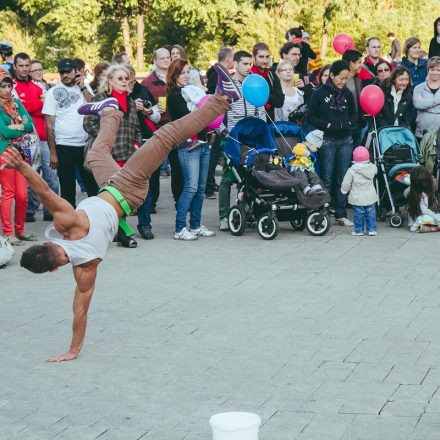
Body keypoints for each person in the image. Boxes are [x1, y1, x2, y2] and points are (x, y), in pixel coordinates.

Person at [1, 90, 231, 362]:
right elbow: (46, 194)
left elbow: (80, 313)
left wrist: (72, 351)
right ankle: (222, 100)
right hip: (128, 185)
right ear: (48, 243)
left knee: (95, 155)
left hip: (115, 189)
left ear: (53, 269)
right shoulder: (68, 225)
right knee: (165, 136)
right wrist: (22, 167)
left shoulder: (84, 270)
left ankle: (110, 112)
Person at [83, 64, 142, 248]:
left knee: (121, 197)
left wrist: (137, 144)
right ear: (109, 81)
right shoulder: (101, 98)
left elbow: (136, 128)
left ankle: (117, 232)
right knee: (110, 197)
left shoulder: (130, 102)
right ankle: (120, 234)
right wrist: (106, 138)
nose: (125, 81)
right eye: (120, 78)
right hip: (107, 155)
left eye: (127, 78)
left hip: (127, 154)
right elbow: (88, 124)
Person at [216, 51, 266, 230]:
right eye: (244, 64)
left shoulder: (255, 83)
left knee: (248, 176)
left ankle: (245, 211)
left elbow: (260, 109)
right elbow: (216, 111)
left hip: (251, 136)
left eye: (249, 64)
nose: (248, 67)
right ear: (235, 64)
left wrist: (261, 129)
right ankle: (223, 216)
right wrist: (223, 132)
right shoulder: (226, 84)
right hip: (232, 136)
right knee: (229, 178)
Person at [167, 59, 215, 240]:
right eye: (182, 73)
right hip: (187, 145)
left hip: (202, 142)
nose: (186, 75)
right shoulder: (174, 94)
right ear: (174, 75)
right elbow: (189, 117)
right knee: (191, 187)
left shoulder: (191, 90)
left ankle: (195, 225)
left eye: (188, 72)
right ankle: (180, 228)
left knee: (201, 188)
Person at [42, 58, 98, 208]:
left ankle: (95, 218)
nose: (65, 75)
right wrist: (53, 153)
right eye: (62, 72)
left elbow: (95, 107)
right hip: (64, 146)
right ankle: (70, 225)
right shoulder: (53, 92)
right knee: (67, 190)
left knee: (92, 186)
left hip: (85, 146)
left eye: (68, 72)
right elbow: (49, 125)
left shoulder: (85, 88)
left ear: (76, 72)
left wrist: (82, 88)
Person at [306, 60, 356, 226]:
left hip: (346, 140)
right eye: (340, 78)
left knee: (343, 178)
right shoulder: (319, 93)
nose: (343, 82)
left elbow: (355, 114)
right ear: (332, 75)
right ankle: (322, 212)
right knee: (326, 178)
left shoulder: (347, 94)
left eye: (346, 78)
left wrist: (349, 124)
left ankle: (341, 213)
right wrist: (326, 124)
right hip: (327, 140)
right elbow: (310, 115)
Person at [13, 52, 59, 223]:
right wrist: (36, 106)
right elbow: (19, 112)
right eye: (21, 66)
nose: (24, 69)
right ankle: (29, 210)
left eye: (27, 66)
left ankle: (51, 209)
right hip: (24, 140)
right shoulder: (11, 87)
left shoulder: (39, 86)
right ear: (15, 67)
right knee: (29, 177)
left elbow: (47, 110)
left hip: (44, 138)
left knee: (51, 177)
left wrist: (30, 107)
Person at [142, 48, 183, 206]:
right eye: (162, 58)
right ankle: (151, 202)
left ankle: (179, 200)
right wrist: (151, 109)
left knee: (177, 166)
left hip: (175, 128)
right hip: (156, 129)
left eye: (168, 57)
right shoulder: (147, 82)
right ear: (155, 61)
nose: (166, 60)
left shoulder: (176, 78)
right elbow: (142, 105)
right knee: (154, 168)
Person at [0, 69, 36, 245]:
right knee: (9, 192)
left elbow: (30, 125)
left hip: (20, 152)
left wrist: (19, 127)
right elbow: (4, 131)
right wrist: (20, 125)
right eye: (3, 86)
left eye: (9, 85)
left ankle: (20, 230)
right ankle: (8, 232)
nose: (7, 89)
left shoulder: (17, 104)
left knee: (22, 195)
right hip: (5, 153)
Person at [127, 65, 161, 240]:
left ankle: (145, 224)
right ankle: (120, 226)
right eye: (124, 79)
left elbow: (156, 116)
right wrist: (132, 106)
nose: (129, 83)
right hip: (121, 145)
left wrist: (148, 111)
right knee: (120, 186)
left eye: (131, 79)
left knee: (144, 184)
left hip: (143, 142)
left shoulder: (142, 90)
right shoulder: (111, 96)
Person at [205, 47, 234, 199]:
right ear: (228, 59)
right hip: (217, 116)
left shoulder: (220, 72)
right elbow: (212, 93)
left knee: (216, 153)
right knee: (214, 152)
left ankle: (210, 182)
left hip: (221, 115)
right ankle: (208, 184)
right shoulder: (217, 73)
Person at [341, 146, 378, 236]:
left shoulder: (352, 170)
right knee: (371, 213)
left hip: (357, 197)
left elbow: (346, 182)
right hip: (370, 196)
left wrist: (344, 190)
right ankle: (372, 229)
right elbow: (375, 172)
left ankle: (359, 231)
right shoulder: (372, 168)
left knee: (358, 215)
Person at [251, 42, 285, 121]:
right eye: (261, 57)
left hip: (270, 121)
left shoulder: (272, 76)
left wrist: (263, 96)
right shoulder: (248, 76)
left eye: (267, 57)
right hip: (251, 121)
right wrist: (271, 97)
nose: (265, 61)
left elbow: (280, 102)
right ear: (253, 58)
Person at [413, 57, 440, 140]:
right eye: (432, 69)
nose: (435, 73)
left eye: (438, 70)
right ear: (428, 70)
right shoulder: (419, 88)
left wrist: (426, 106)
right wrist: (438, 100)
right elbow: (418, 104)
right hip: (422, 134)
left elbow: (423, 104)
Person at [406, 166, 440, 232]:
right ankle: (430, 228)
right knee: (436, 217)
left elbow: (405, 193)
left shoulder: (411, 191)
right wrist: (437, 217)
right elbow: (424, 210)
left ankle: (428, 227)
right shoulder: (424, 194)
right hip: (420, 220)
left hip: (412, 221)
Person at [342, 50, 363, 145]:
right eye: (359, 62)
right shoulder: (339, 82)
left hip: (358, 126)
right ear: (351, 63)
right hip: (344, 128)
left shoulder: (358, 80)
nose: (361, 65)